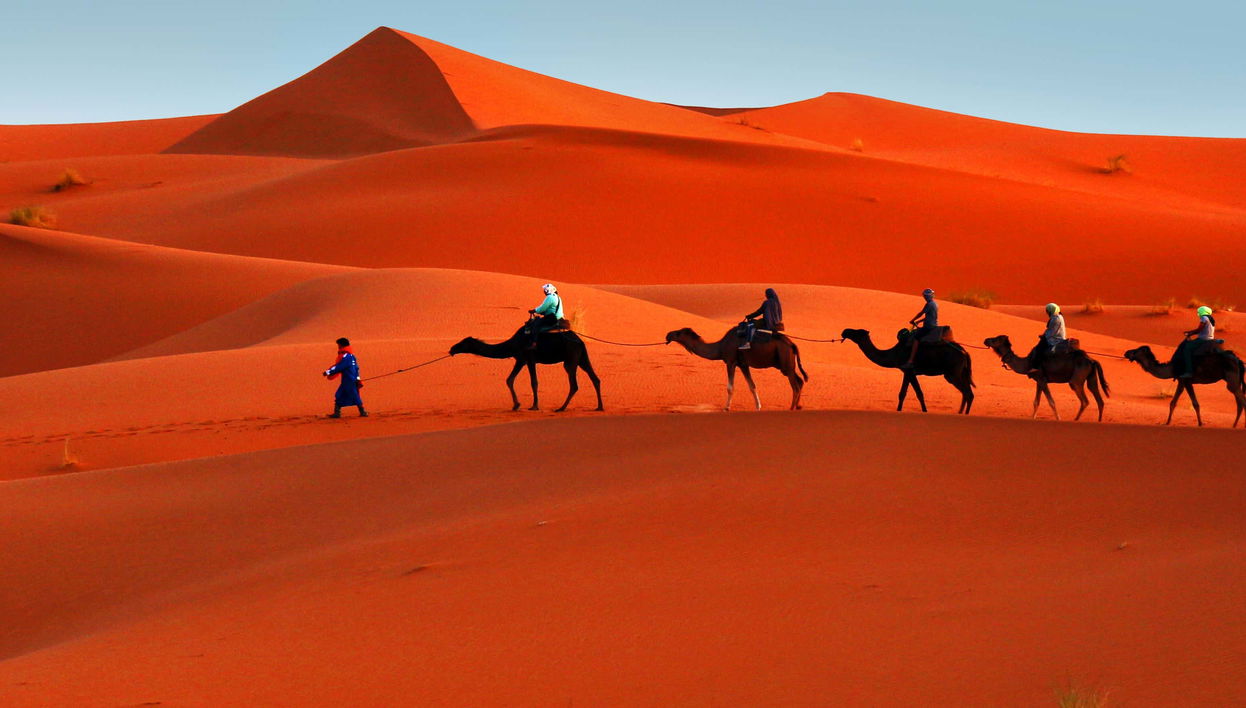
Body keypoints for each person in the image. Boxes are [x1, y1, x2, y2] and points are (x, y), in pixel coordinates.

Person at [324, 337, 367, 418]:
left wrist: (328, 372)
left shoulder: (346, 356)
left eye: (339, 345)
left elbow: (339, 367)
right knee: (342, 395)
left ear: (342, 345)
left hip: (348, 380)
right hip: (349, 379)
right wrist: (358, 379)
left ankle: (363, 412)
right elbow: (356, 369)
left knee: (351, 395)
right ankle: (338, 413)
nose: (338, 346)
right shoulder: (351, 356)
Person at [1175, 306, 1216, 379]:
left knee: (1187, 349)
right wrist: (1190, 332)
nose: (1198, 313)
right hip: (1211, 339)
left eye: (1199, 312)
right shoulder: (1211, 318)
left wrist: (1190, 333)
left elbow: (1199, 329)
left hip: (1203, 339)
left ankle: (1189, 372)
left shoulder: (1204, 318)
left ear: (1202, 312)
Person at [903, 288, 939, 369]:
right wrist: (919, 321)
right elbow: (930, 316)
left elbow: (921, 313)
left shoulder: (929, 304)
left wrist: (913, 320)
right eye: (925, 296)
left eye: (926, 296)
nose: (925, 297)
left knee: (916, 338)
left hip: (929, 326)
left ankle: (910, 361)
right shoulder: (935, 304)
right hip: (934, 325)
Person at [1029, 302, 1067, 372]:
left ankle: (1036, 367)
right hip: (1058, 337)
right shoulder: (1059, 316)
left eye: (1048, 311)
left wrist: (1044, 336)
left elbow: (1051, 332)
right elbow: (1050, 330)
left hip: (1056, 339)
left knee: (1039, 349)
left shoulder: (1055, 319)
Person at [527, 283, 565, 348]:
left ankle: (534, 343)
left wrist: (534, 310)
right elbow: (551, 308)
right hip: (560, 317)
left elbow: (543, 307)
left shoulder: (549, 297)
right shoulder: (557, 296)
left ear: (547, 290)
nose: (544, 291)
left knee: (536, 324)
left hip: (552, 318)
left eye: (545, 290)